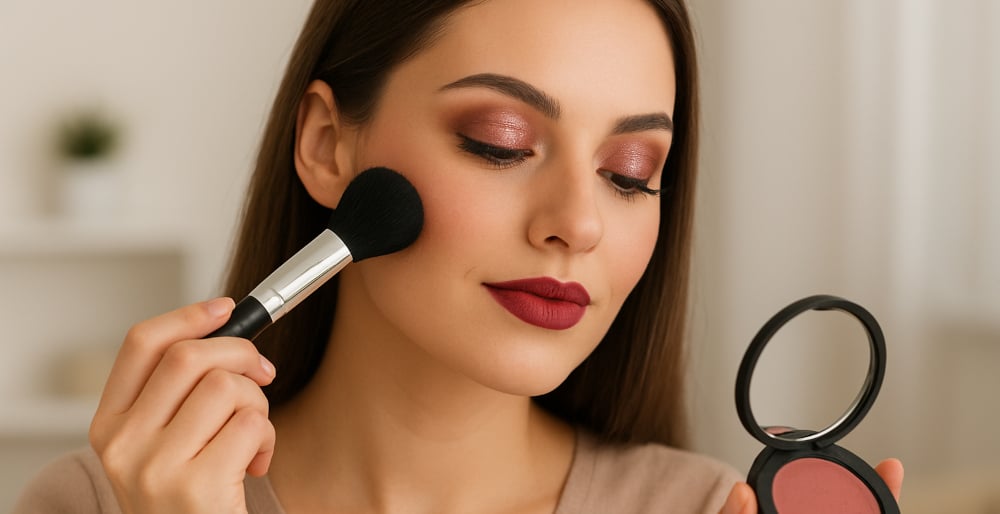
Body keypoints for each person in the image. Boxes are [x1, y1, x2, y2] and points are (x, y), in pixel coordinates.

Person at [14, 0, 903, 512]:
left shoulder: (704, 510)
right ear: (327, 145)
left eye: (629, 173)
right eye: (500, 142)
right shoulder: (102, 502)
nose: (577, 223)